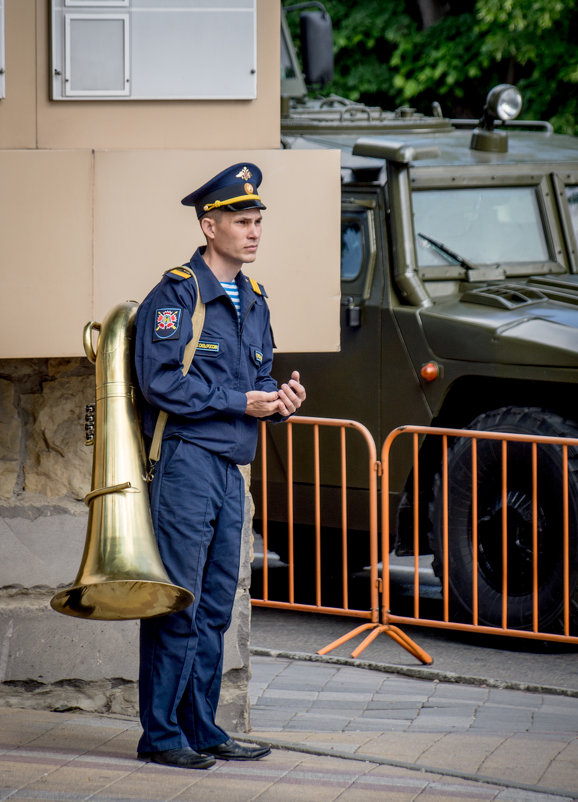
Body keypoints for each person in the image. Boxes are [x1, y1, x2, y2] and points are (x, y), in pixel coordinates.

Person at [133, 163, 306, 770]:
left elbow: (257, 379)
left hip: (231, 467)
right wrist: (241, 401)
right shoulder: (176, 294)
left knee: (213, 605)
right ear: (210, 226)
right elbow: (159, 383)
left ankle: (201, 729)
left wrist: (279, 403)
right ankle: (160, 737)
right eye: (241, 221)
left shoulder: (252, 298)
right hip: (186, 463)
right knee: (178, 600)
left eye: (258, 221)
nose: (253, 232)